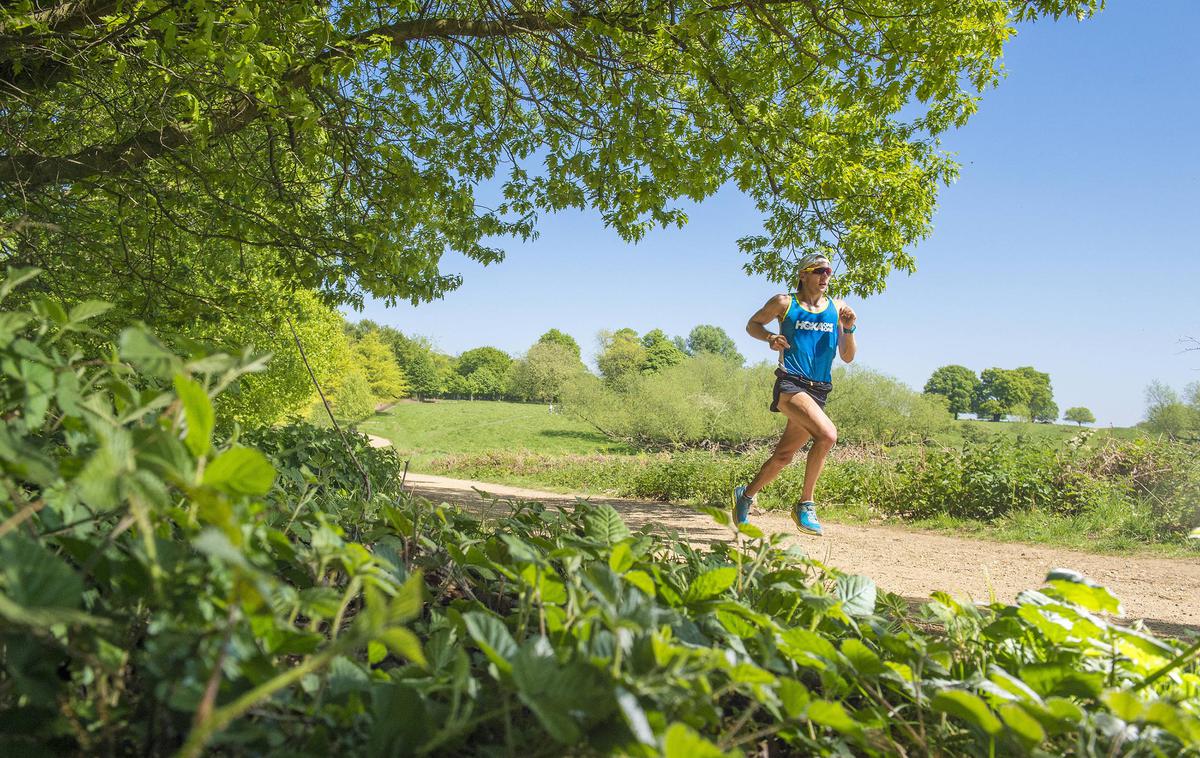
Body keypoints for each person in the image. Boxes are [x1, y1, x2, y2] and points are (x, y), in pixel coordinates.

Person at [731, 254, 857, 535]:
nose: (826, 276)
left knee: (784, 456)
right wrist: (770, 338)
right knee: (827, 435)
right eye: (819, 271)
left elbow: (847, 357)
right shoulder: (784, 302)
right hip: (791, 385)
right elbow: (753, 324)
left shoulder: (838, 309)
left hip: (819, 390)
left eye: (828, 271)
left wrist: (848, 329)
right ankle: (805, 504)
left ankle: (746, 495)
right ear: (803, 274)